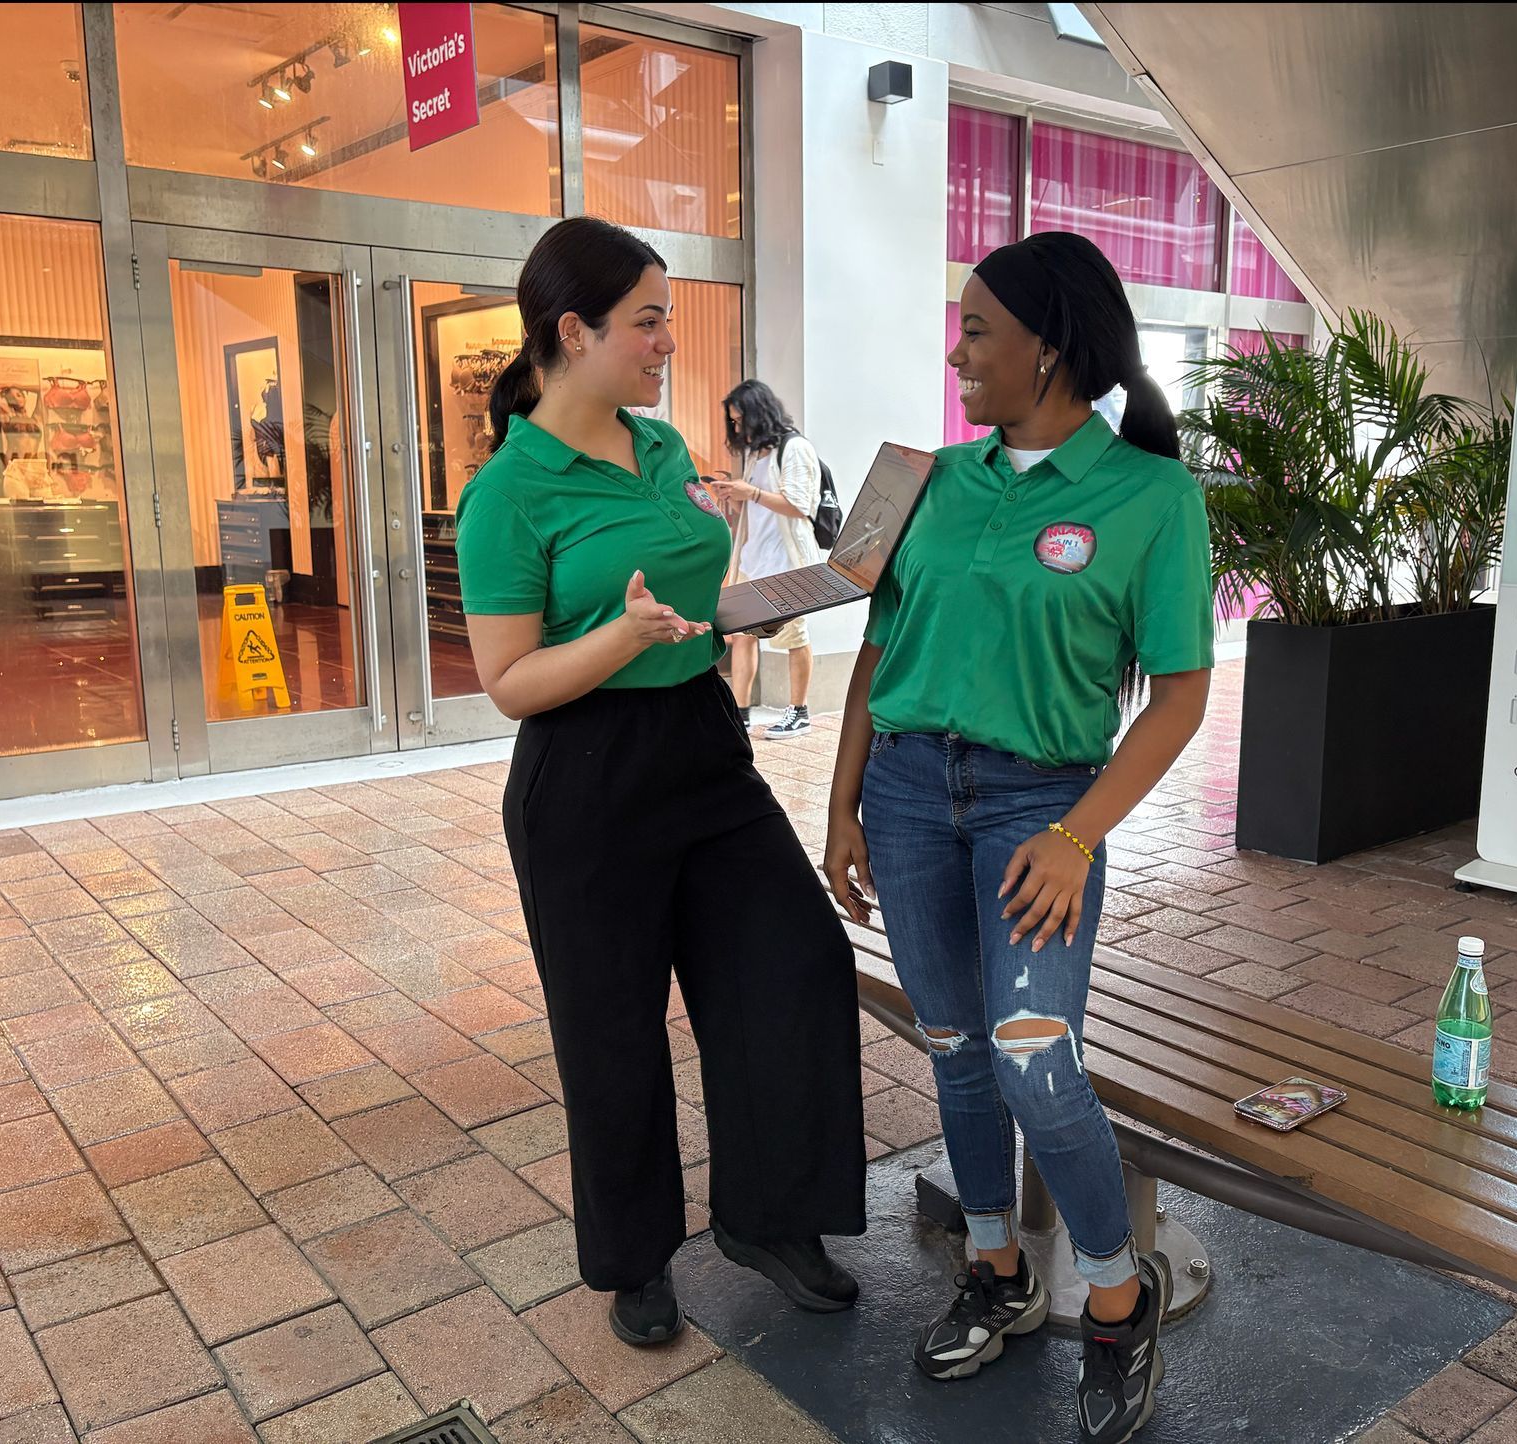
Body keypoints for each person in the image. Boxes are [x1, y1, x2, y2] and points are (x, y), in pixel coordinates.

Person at [824, 230, 1214, 1443]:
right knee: (950, 1043)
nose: (957, 351)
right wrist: (840, 804)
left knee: (1035, 1057)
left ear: (1050, 347)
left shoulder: (1153, 496)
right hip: (904, 790)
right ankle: (995, 1269)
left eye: (978, 329)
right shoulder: (929, 478)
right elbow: (878, 653)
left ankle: (1114, 1297)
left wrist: (1077, 836)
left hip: (1035, 804)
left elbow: (1183, 693)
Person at [457, 216, 867, 1347]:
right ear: (574, 331)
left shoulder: (666, 451)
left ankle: (769, 1217)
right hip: (585, 769)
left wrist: (752, 594)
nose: (668, 341)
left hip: (702, 740)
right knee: (613, 1026)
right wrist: (623, 638)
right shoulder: (509, 494)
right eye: (648, 321)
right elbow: (508, 678)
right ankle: (638, 1258)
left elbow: (692, 589)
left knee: (791, 959)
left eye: (667, 319)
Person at [710, 380, 821, 738]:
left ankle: (798, 711)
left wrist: (751, 492)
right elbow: (759, 508)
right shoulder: (757, 455)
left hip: (785, 564)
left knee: (793, 636)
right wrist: (736, 496)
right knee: (742, 636)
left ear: (759, 413)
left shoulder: (795, 447)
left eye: (741, 419)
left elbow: (799, 505)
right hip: (753, 560)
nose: (738, 428)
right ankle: (740, 715)